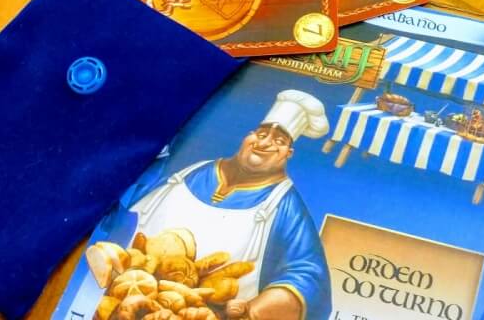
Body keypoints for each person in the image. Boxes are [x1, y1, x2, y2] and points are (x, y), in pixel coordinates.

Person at [119, 90, 333, 320]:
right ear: (248, 136)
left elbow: (309, 277)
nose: (264, 143)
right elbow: (129, 219)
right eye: (261, 134)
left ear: (288, 153)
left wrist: (252, 311)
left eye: (279, 141)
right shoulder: (193, 173)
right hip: (128, 300)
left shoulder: (284, 205)